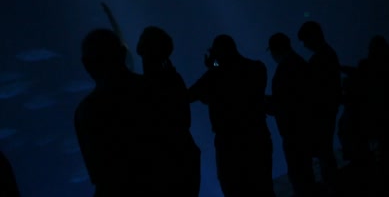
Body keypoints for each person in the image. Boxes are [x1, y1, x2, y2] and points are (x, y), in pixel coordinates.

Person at [75, 29, 167, 196]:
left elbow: (100, 176)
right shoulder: (155, 90)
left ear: (86, 64)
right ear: (123, 53)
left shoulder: (86, 111)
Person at [189, 35, 276, 197]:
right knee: (263, 187)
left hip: (230, 144)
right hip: (258, 136)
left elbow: (190, 95)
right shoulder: (257, 68)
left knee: (233, 188)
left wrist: (213, 67)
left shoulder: (214, 76)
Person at [136, 26, 201, 196]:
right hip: (185, 159)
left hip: (164, 167)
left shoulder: (142, 87)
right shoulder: (174, 79)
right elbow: (185, 120)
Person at [266, 33, 316, 197]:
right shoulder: (299, 63)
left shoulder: (287, 68)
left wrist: (265, 105)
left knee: (300, 175)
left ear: (276, 50)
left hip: (294, 132)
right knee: (305, 173)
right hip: (303, 129)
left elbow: (284, 102)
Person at [298, 21, 341, 192]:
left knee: (324, 152)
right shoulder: (329, 53)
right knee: (325, 151)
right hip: (328, 109)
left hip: (322, 112)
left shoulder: (320, 58)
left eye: (305, 41)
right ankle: (332, 184)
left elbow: (311, 87)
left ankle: (332, 186)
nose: (305, 45)